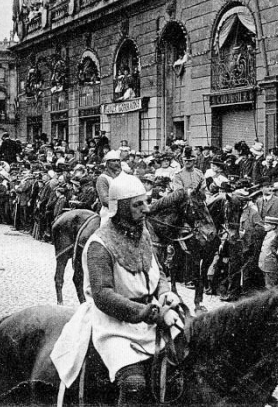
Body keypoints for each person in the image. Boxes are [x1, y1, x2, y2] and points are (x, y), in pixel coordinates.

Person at [51, 173, 182, 406]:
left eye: (146, 202)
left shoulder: (143, 234)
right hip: (114, 324)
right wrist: (151, 312)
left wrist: (165, 293)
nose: (146, 209)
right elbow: (103, 296)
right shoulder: (98, 245)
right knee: (134, 384)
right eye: (137, 204)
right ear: (120, 208)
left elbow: (156, 271)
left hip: (151, 315)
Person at [95, 150, 123, 225]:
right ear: (107, 163)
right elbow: (104, 200)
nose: (116, 163)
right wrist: (122, 205)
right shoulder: (103, 178)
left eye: (118, 161)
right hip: (109, 212)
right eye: (113, 161)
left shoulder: (122, 177)